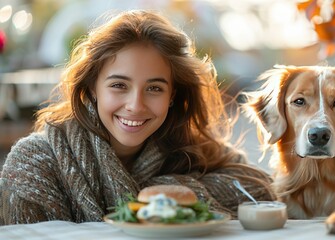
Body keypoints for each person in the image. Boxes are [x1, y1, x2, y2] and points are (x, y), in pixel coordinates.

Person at [0, 10, 275, 225]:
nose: (135, 105)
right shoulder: (35, 163)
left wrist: (166, 193)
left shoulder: (188, 148)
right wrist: (158, 207)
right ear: (93, 88)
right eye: (119, 85)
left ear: (172, 96)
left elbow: (259, 190)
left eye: (154, 88)